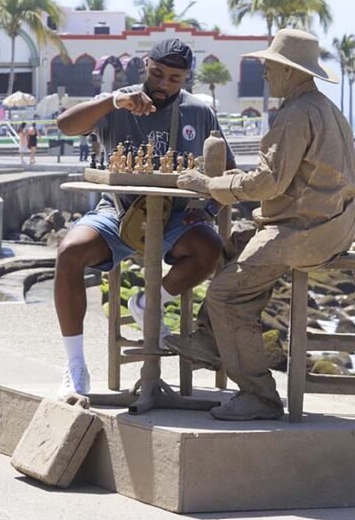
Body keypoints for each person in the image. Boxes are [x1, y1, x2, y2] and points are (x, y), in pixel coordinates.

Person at [167, 29, 355, 421]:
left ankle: (259, 395)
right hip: (330, 223)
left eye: (271, 66)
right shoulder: (325, 108)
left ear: (290, 72)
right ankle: (210, 339)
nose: (266, 73)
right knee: (234, 243)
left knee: (225, 295)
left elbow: (268, 182)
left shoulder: (294, 115)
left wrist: (209, 185)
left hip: (307, 233)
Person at [53, 38, 228, 397]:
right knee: (69, 252)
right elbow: (66, 125)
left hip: (177, 218)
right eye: (157, 73)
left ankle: (149, 302)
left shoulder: (199, 112)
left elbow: (227, 173)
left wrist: (208, 210)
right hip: (117, 212)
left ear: (186, 79)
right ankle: (75, 365)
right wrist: (113, 101)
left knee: (210, 248)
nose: (163, 84)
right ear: (145, 65)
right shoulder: (119, 104)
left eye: (174, 79)